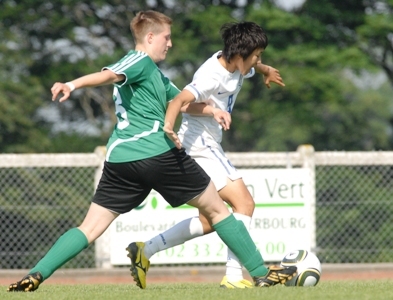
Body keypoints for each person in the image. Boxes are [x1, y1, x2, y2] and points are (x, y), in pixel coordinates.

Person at [7, 11, 296, 292]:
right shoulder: (140, 61)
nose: (170, 44)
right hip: (157, 152)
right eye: (166, 38)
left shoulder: (158, 77)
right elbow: (109, 75)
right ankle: (259, 272)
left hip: (120, 161)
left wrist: (211, 110)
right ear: (149, 37)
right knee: (219, 210)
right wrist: (72, 84)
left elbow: (183, 103)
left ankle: (36, 274)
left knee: (90, 228)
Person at [128, 21, 287, 289]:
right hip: (201, 146)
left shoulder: (236, 64)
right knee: (244, 204)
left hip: (209, 144)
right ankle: (235, 276)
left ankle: (146, 250)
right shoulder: (212, 74)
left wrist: (264, 69)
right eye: (257, 55)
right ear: (240, 54)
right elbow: (180, 102)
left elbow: (250, 66)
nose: (258, 59)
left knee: (211, 219)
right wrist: (176, 124)